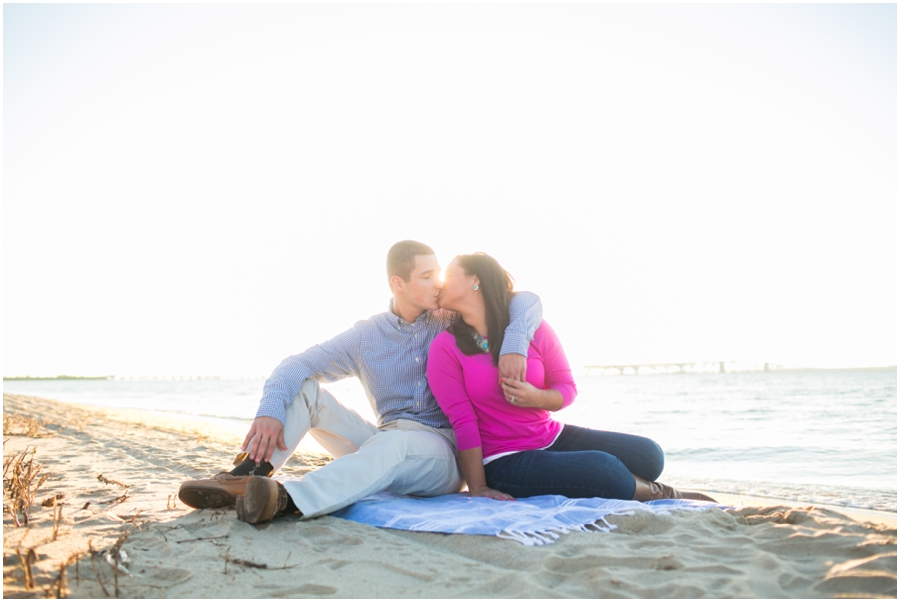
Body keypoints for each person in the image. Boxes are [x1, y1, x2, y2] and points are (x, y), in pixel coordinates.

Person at [177, 240, 544, 524]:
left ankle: (289, 499)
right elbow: (298, 363)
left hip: (441, 456)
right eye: (428, 276)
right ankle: (250, 475)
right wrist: (270, 409)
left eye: (440, 273)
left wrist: (516, 346)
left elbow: (525, 300)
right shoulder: (368, 335)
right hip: (384, 441)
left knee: (394, 444)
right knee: (307, 391)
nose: (440, 283)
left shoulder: (450, 319)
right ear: (398, 283)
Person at [426, 252, 715, 503]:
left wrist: (535, 398)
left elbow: (566, 388)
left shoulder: (532, 329)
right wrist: (478, 486)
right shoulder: (445, 348)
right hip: (504, 460)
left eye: (449, 274)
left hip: (550, 436)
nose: (440, 282)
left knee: (649, 455)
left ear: (475, 280)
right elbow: (463, 422)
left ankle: (634, 482)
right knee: (603, 468)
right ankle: (661, 494)